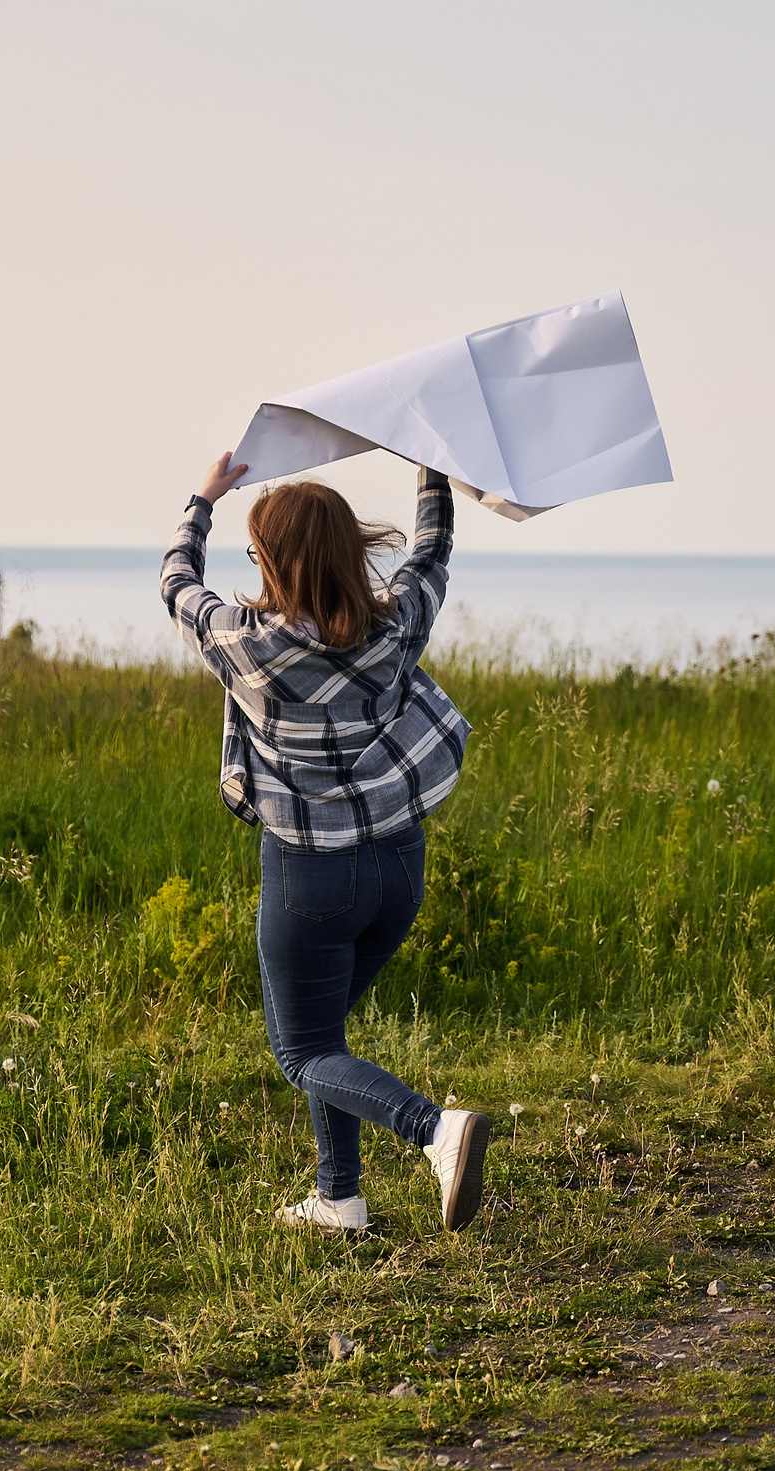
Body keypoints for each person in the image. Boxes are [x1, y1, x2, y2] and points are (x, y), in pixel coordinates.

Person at [162, 452, 492, 1235]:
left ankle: (435, 1130)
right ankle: (338, 1198)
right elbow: (432, 551)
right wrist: (432, 469)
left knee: (304, 1050)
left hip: (311, 879)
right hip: (398, 866)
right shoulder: (395, 624)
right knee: (327, 1038)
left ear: (270, 562)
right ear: (348, 549)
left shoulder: (245, 643)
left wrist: (203, 499)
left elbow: (176, 582)